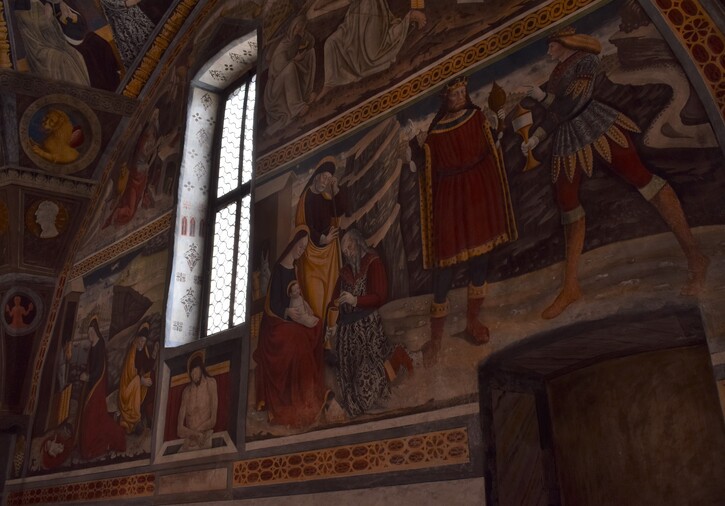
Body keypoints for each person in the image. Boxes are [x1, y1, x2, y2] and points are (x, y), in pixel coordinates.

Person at [521, 27, 709, 319]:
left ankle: (695, 258)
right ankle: (570, 286)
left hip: (595, 124)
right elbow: (557, 110)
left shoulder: (587, 61)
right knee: (567, 203)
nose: (548, 50)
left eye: (552, 44)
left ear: (565, 41)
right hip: (568, 137)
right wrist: (537, 119)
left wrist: (539, 115)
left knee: (643, 180)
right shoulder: (558, 72)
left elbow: (573, 104)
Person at [419, 76, 517, 366]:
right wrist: (417, 149)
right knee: (445, 266)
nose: (459, 96)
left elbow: (490, 148)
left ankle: (472, 321)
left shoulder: (476, 117)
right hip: (450, 198)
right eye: (454, 93)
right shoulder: (436, 131)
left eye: (463, 92)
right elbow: (427, 167)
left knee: (480, 259)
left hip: (476, 190)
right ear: (446, 98)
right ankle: (436, 339)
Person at [331, 229, 413, 416]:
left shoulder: (373, 264)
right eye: (344, 250)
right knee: (349, 376)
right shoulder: (344, 273)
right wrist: (333, 322)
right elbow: (333, 301)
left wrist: (356, 301)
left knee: (369, 371)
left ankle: (375, 399)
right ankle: (355, 405)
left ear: (359, 244)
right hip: (346, 333)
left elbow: (379, 296)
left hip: (368, 329)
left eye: (349, 247)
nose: (347, 252)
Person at [253, 227, 329, 428]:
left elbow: (299, 295)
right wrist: (287, 313)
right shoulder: (278, 269)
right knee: (297, 337)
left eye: (304, 248)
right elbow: (273, 304)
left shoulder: (295, 269)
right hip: (275, 323)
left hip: (293, 318)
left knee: (317, 324)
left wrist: (305, 310)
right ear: (293, 243)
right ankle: (301, 401)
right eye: (300, 246)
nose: (301, 251)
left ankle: (311, 393)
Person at [315, 0, 427, 101]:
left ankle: (409, 18)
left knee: (373, 54)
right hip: (354, 19)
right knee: (331, 42)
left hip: (372, 11)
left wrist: (417, 4)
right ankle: (328, 84)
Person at [294, 157, 348, 320]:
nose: (325, 181)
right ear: (316, 176)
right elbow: (305, 226)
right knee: (315, 300)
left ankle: (327, 338)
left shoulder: (325, 198)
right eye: (324, 177)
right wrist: (322, 239)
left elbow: (339, 211)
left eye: (328, 178)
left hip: (329, 257)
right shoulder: (305, 199)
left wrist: (336, 188)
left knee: (331, 294)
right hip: (311, 257)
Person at [78, 317, 126, 459]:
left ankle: (98, 443)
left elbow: (99, 369)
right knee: (92, 414)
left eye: (91, 332)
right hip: (92, 385)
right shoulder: (94, 347)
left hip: (97, 385)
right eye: (88, 332)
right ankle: (88, 444)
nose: (89, 335)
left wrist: (89, 377)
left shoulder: (99, 346)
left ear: (95, 332)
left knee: (95, 413)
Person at [13, 0, 90, 86]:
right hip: (38, 50)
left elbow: (56, 31)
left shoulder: (42, 3)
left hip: (54, 43)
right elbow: (35, 34)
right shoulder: (22, 6)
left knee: (76, 55)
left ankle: (82, 96)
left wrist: (54, 11)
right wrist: (47, 18)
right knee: (63, 60)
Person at [264, 15, 316, 134]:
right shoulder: (284, 44)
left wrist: (304, 35)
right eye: (298, 27)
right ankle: (296, 108)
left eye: (302, 27)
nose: (299, 29)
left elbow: (311, 43)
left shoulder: (299, 38)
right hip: (275, 88)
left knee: (310, 53)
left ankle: (305, 94)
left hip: (287, 76)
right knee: (290, 67)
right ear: (293, 27)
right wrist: (294, 59)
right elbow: (277, 68)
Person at [118, 322, 158, 434]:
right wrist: (141, 380)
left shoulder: (143, 350)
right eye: (140, 340)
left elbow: (146, 368)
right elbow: (130, 374)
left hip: (137, 384)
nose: (141, 343)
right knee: (137, 381)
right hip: (128, 388)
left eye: (144, 341)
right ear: (136, 339)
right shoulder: (132, 352)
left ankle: (148, 414)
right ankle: (135, 419)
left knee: (152, 377)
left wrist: (154, 354)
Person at [177, 351, 218, 452]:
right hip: (190, 439)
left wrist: (199, 433)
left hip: (205, 437)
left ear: (201, 368)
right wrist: (195, 434)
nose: (193, 375)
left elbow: (213, 420)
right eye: (191, 373)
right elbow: (179, 429)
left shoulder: (211, 384)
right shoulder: (186, 392)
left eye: (195, 371)